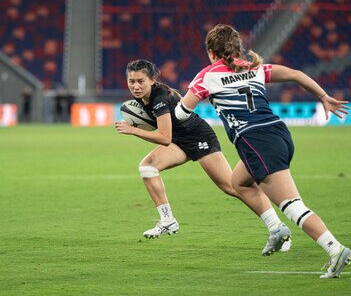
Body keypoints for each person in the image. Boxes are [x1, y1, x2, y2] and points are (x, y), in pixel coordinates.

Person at [176, 24, 351, 279]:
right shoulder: (254, 68)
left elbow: (182, 113)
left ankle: (335, 249)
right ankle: (275, 229)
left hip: (255, 141)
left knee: (292, 205)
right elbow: (295, 74)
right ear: (237, 48)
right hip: (278, 133)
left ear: (211, 52)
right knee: (238, 181)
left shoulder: (207, 75)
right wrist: (323, 96)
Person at [115, 59, 291, 255]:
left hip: (199, 138)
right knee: (147, 168)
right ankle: (167, 221)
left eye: (140, 81)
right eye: (131, 82)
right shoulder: (141, 99)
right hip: (179, 141)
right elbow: (168, 137)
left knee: (232, 187)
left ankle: (277, 227)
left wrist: (133, 130)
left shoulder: (159, 99)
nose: (136, 86)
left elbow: (164, 138)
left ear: (153, 80)